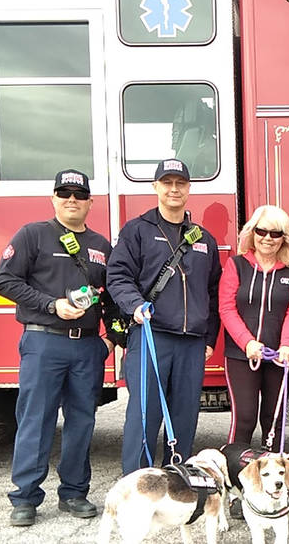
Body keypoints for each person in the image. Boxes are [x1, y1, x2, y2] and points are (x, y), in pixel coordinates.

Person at [0, 169, 121, 527]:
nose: (72, 200)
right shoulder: (34, 235)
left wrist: (110, 340)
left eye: (79, 195)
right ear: (53, 198)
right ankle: (25, 498)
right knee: (37, 420)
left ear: (90, 203)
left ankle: (75, 493)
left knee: (82, 421)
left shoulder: (100, 246)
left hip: (86, 349)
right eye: (64, 194)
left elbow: (111, 297)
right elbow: (3, 281)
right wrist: (52, 306)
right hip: (43, 342)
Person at [106, 158, 221, 475]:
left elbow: (213, 292)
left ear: (188, 189)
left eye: (180, 183)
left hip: (192, 344)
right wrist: (134, 305)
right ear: (155, 187)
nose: (174, 189)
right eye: (167, 183)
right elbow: (117, 277)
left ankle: (176, 481)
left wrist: (209, 338)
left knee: (184, 417)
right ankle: (137, 483)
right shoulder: (137, 231)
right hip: (150, 336)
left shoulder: (203, 239)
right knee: (145, 417)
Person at [219, 204, 289, 517]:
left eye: (275, 233)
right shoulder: (236, 265)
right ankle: (235, 491)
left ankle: (274, 491)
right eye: (262, 231)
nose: (268, 238)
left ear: (285, 238)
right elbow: (227, 308)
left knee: (274, 422)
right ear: (251, 233)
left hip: (281, 359)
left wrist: (286, 345)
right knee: (244, 421)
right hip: (241, 357)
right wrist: (248, 343)